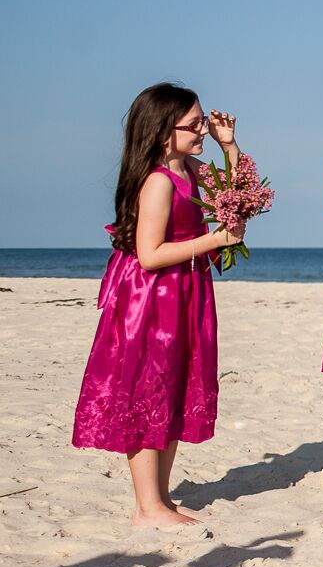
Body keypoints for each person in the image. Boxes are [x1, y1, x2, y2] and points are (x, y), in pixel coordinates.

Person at [72, 84, 245, 527]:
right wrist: (215, 240)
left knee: (175, 388)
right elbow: (149, 255)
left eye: (203, 121)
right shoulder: (157, 182)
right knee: (149, 388)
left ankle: (162, 499)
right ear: (165, 131)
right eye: (196, 124)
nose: (204, 128)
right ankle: (147, 506)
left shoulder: (191, 168)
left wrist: (229, 145)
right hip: (153, 298)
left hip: (185, 291)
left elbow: (237, 188)